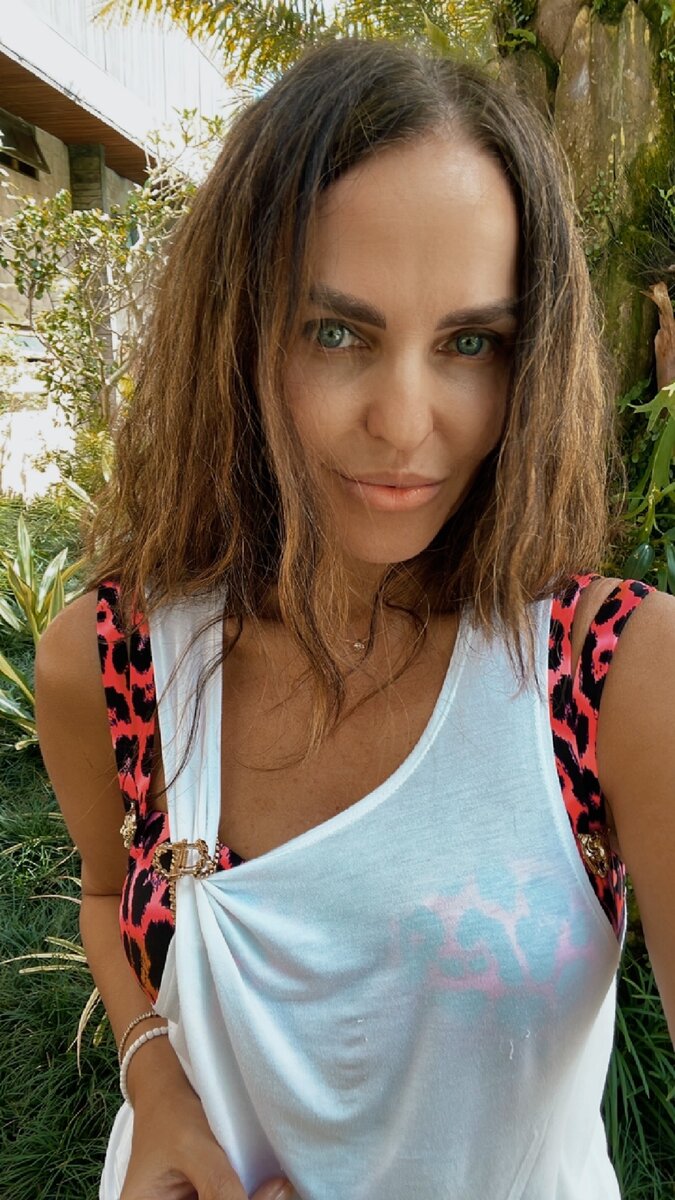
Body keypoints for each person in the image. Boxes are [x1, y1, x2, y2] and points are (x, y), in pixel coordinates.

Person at [35, 37, 674, 1200]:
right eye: (337, 332)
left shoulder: (618, 675)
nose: (406, 422)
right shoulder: (113, 657)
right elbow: (97, 894)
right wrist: (155, 1084)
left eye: (471, 343)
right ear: (236, 332)